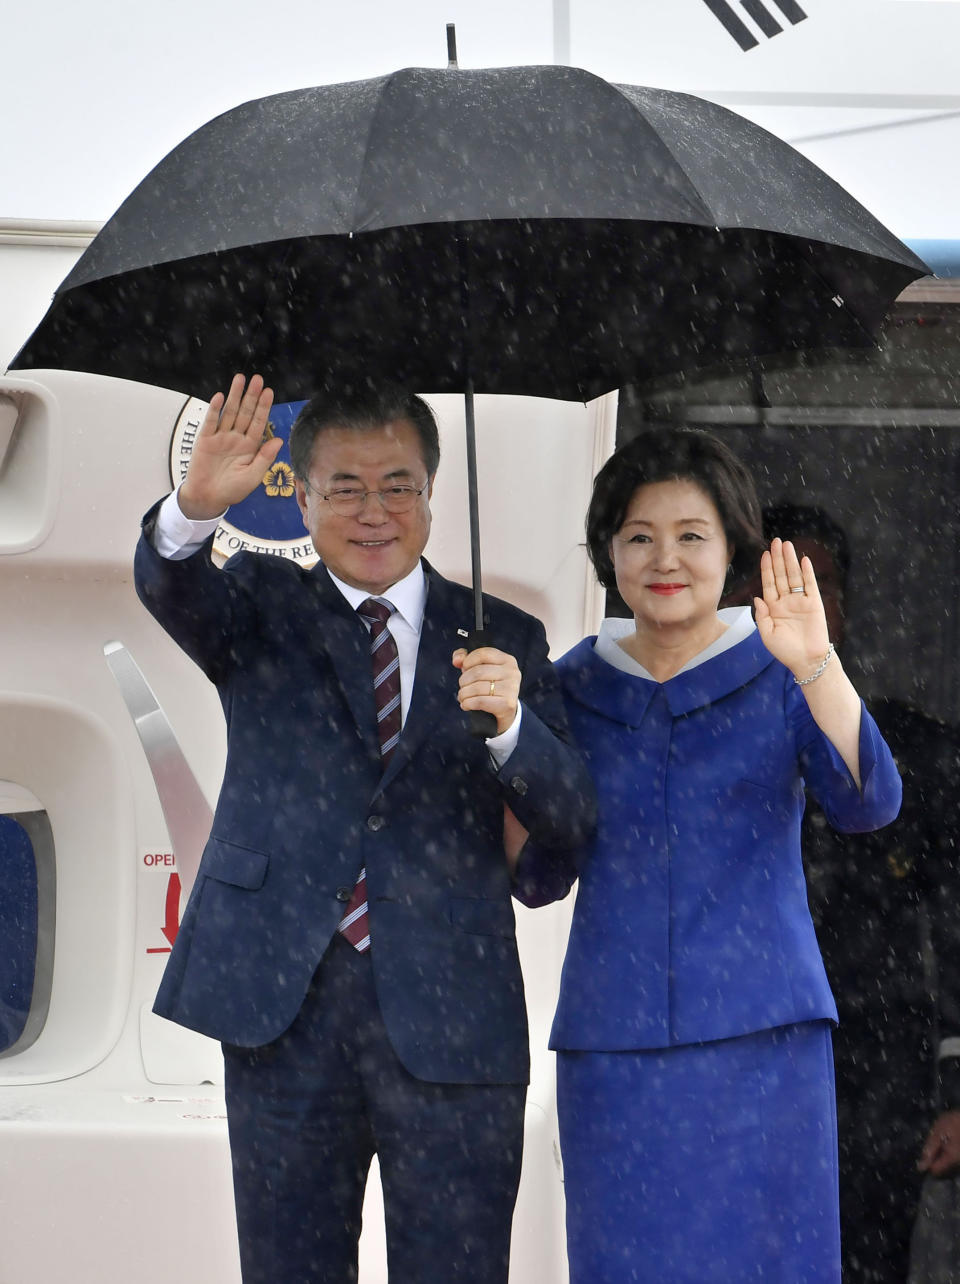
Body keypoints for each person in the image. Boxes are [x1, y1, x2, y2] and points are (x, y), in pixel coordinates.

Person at [134, 372, 596, 1284]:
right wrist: (190, 509)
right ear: (300, 498)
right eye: (344, 486)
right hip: (285, 1008)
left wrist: (510, 728)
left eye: (398, 484)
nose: (373, 510)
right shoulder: (260, 604)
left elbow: (571, 827)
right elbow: (169, 585)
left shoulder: (506, 635)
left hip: (454, 1019)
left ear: (431, 493)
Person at [512, 429, 902, 1283]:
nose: (665, 558)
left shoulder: (781, 668)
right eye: (638, 536)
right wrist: (505, 736)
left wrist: (818, 665)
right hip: (614, 1046)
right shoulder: (569, 684)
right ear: (606, 552)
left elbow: (868, 802)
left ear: (731, 549)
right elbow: (537, 875)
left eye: (692, 535)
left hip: (764, 1038)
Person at [728, 502, 960, 1283]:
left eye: (816, 582)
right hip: (741, 1051)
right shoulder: (700, 734)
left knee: (865, 1262)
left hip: (880, 1068)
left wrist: (959, 1087)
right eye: (772, 581)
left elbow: (955, 919)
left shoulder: (915, 749)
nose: (797, 601)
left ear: (846, 603)